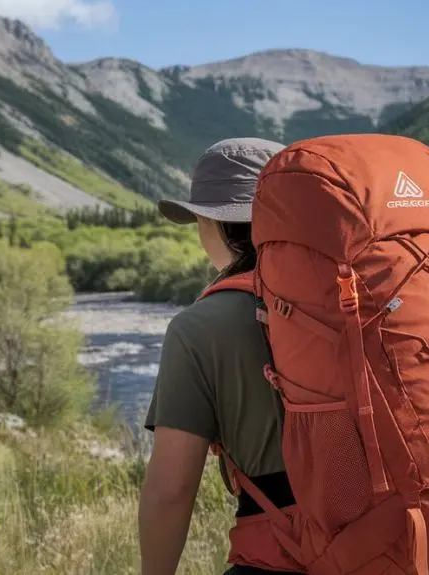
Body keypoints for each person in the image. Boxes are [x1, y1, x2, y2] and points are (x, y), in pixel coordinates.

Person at [138, 137, 294, 575]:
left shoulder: (199, 328)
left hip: (288, 554)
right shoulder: (361, 296)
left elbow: (171, 490)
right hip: (404, 548)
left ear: (215, 223)